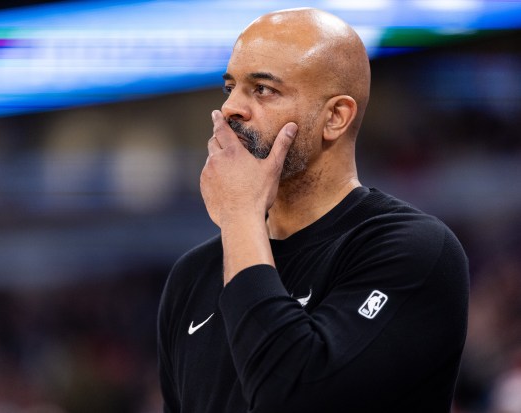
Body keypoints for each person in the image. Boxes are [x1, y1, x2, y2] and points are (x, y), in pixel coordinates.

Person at [157, 7, 469, 413]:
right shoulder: (191, 276)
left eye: (263, 89)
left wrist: (239, 214)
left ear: (335, 117)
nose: (231, 107)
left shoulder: (412, 250)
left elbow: (294, 396)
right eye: (229, 86)